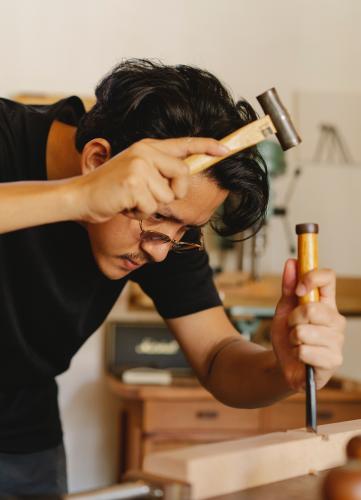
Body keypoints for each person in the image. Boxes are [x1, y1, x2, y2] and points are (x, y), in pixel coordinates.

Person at [0, 59, 345, 495]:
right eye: (158, 220)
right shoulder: (7, 136)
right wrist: (79, 197)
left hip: (22, 437)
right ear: (97, 160)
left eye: (183, 231)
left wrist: (281, 368)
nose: (161, 252)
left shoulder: (171, 215)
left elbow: (217, 354)